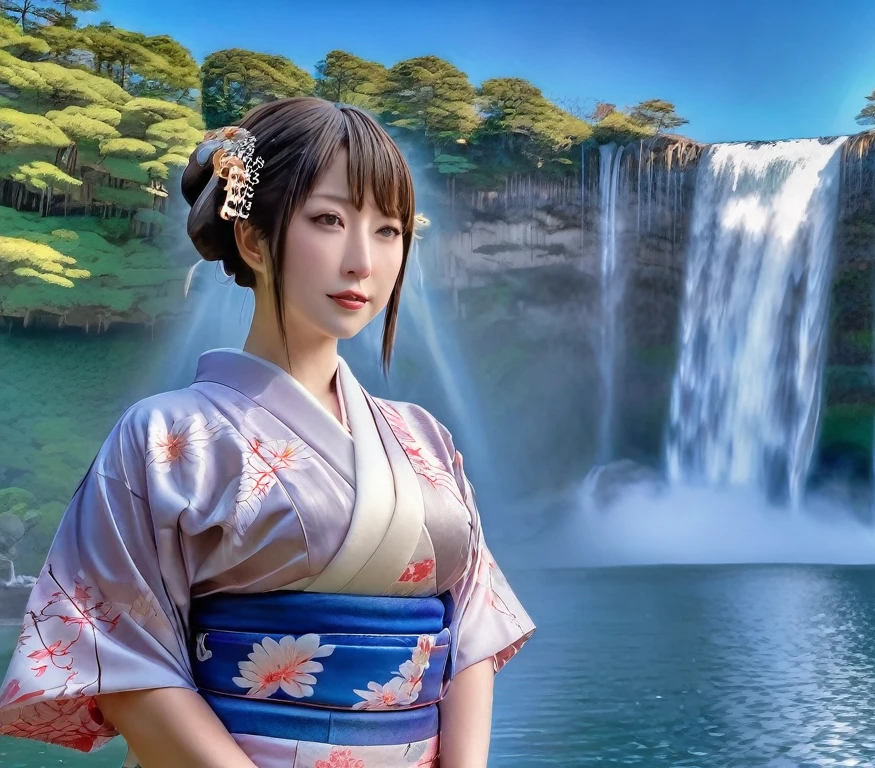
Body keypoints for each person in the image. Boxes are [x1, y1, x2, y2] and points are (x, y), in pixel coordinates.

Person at [0, 97, 534, 768]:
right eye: (330, 220)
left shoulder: (424, 438)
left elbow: (473, 630)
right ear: (253, 239)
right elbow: (122, 656)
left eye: (389, 229)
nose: (362, 261)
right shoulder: (164, 436)